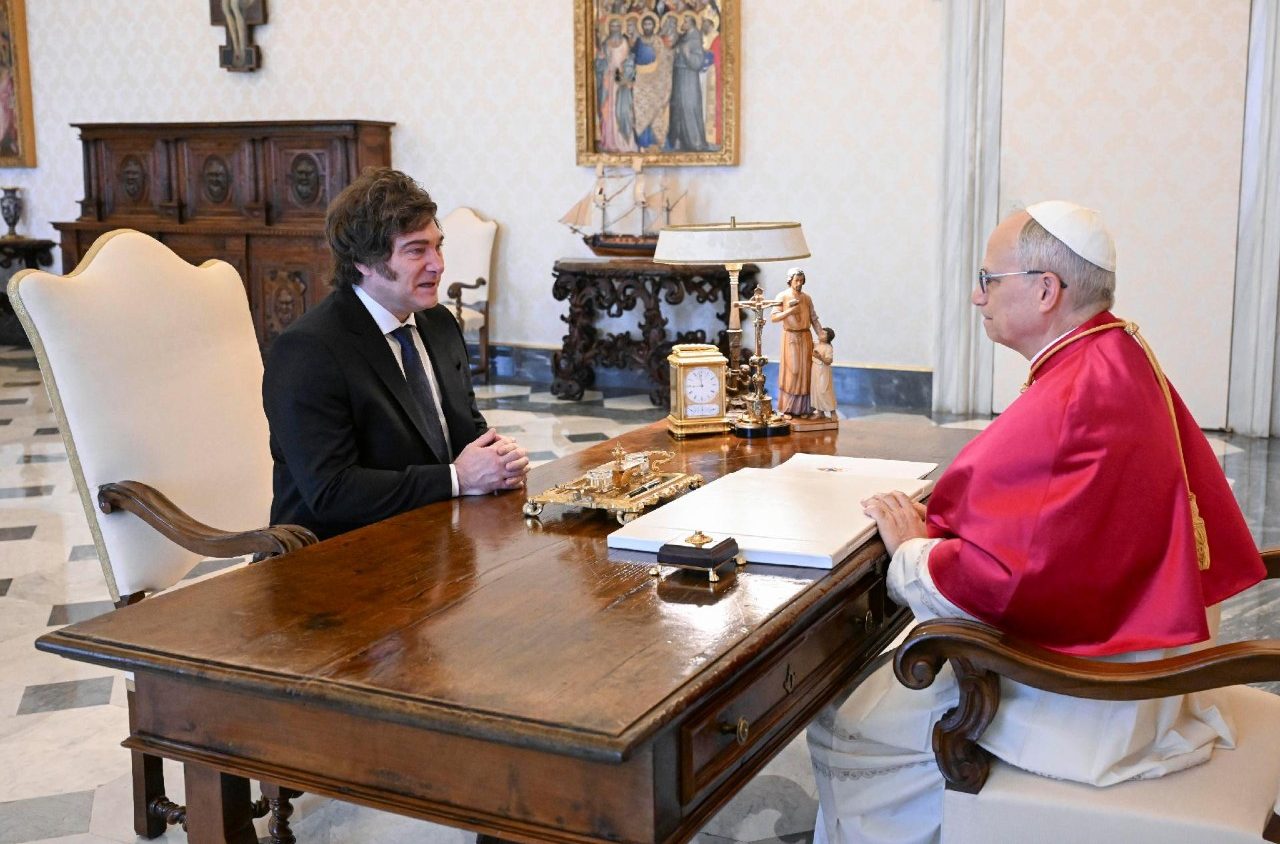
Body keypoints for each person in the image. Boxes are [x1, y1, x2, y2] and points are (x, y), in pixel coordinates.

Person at [807, 201, 1265, 844]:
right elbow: (1055, 529)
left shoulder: (1077, 394)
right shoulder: (1114, 348)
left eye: (988, 280)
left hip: (1097, 701)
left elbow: (1008, 584)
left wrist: (913, 553)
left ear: (1046, 290)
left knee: (847, 722)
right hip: (1136, 647)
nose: (977, 296)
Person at [262, 168, 529, 541]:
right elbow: (332, 492)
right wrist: (457, 478)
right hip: (337, 552)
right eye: (416, 250)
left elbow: (466, 429)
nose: (438, 264)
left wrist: (498, 459)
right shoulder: (307, 351)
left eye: (438, 246)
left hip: (435, 536)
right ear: (363, 261)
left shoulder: (439, 323)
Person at [770, 268, 823, 417]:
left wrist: (821, 335)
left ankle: (804, 408)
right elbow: (774, 317)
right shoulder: (783, 296)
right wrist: (789, 311)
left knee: (806, 371)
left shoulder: (806, 298)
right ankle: (788, 407)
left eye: (801, 280)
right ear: (790, 281)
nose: (799, 283)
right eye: (796, 280)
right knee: (793, 371)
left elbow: (813, 318)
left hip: (805, 336)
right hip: (791, 337)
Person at [810, 327, 836, 419]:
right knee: (816, 390)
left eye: (824, 334)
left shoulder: (828, 348)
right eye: (821, 332)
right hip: (815, 369)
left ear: (828, 338)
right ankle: (820, 412)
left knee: (824, 390)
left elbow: (829, 361)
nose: (821, 334)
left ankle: (833, 412)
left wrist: (819, 357)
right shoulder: (816, 344)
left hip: (823, 371)